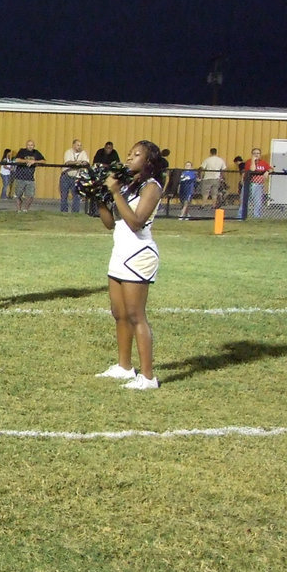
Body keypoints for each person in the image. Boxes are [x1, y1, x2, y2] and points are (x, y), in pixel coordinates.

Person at [94, 140, 166, 390]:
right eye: (129, 153)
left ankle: (148, 377)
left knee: (136, 316)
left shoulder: (152, 187)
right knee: (119, 313)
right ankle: (125, 367)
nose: (129, 158)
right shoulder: (127, 185)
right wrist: (100, 198)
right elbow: (109, 223)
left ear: (148, 162)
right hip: (120, 251)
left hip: (139, 254)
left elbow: (136, 222)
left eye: (136, 155)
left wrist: (114, 193)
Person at [12, 139, 44, 212]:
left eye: (32, 145)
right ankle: (18, 210)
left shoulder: (36, 153)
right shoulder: (22, 151)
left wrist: (34, 161)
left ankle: (25, 209)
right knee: (17, 195)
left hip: (30, 178)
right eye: (29, 145)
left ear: (34, 146)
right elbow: (17, 160)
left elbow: (44, 161)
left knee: (30, 195)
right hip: (20, 176)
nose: (30, 146)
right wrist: (27, 161)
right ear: (26, 145)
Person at [60, 139, 90, 213]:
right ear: (73, 145)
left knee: (76, 195)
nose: (79, 147)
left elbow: (86, 162)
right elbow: (68, 162)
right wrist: (78, 162)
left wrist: (81, 163)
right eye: (77, 145)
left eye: (80, 145)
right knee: (64, 195)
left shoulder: (83, 153)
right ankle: (64, 211)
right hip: (67, 175)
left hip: (77, 177)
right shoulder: (68, 152)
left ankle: (75, 212)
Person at [244, 147, 271, 218]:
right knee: (245, 201)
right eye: (254, 153)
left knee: (258, 202)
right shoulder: (249, 162)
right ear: (252, 154)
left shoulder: (263, 163)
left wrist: (267, 171)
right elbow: (252, 169)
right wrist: (253, 160)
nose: (256, 155)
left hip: (259, 185)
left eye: (258, 153)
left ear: (260, 154)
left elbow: (271, 169)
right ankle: (241, 216)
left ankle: (256, 217)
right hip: (250, 184)